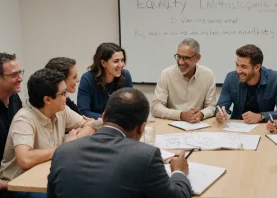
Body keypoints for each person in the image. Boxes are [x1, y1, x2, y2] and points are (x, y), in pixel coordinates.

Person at [47, 88, 192, 198]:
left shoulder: (62, 151)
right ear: (141, 127)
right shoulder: (146, 156)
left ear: (103, 117)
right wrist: (179, 171)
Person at [0, 69, 97, 198]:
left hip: (44, 177)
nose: (67, 96)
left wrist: (73, 140)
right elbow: (25, 159)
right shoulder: (24, 118)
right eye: (63, 93)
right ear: (47, 100)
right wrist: (63, 146)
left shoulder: (61, 110)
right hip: (18, 185)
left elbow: (90, 125)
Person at [216, 44, 277, 124]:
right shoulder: (231, 78)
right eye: (237, 65)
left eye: (244, 67)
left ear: (257, 67)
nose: (238, 70)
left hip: (264, 127)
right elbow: (221, 106)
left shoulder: (275, 79)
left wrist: (261, 116)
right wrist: (220, 114)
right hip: (236, 126)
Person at [151, 38, 216, 122]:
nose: (181, 62)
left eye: (186, 58)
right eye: (179, 56)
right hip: (171, 123)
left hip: (197, 124)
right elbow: (156, 107)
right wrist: (181, 115)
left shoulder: (208, 75)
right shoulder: (166, 74)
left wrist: (201, 114)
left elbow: (211, 107)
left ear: (197, 58)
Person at [78, 43, 133, 119]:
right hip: (95, 126)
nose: (121, 65)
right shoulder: (87, 79)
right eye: (116, 61)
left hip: (119, 125)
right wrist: (110, 119)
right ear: (103, 63)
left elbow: (131, 107)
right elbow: (83, 111)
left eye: (122, 60)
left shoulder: (125, 76)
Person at [0, 53, 23, 197]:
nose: (20, 78)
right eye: (14, 75)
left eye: (20, 72)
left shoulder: (15, 98)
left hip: (15, 173)